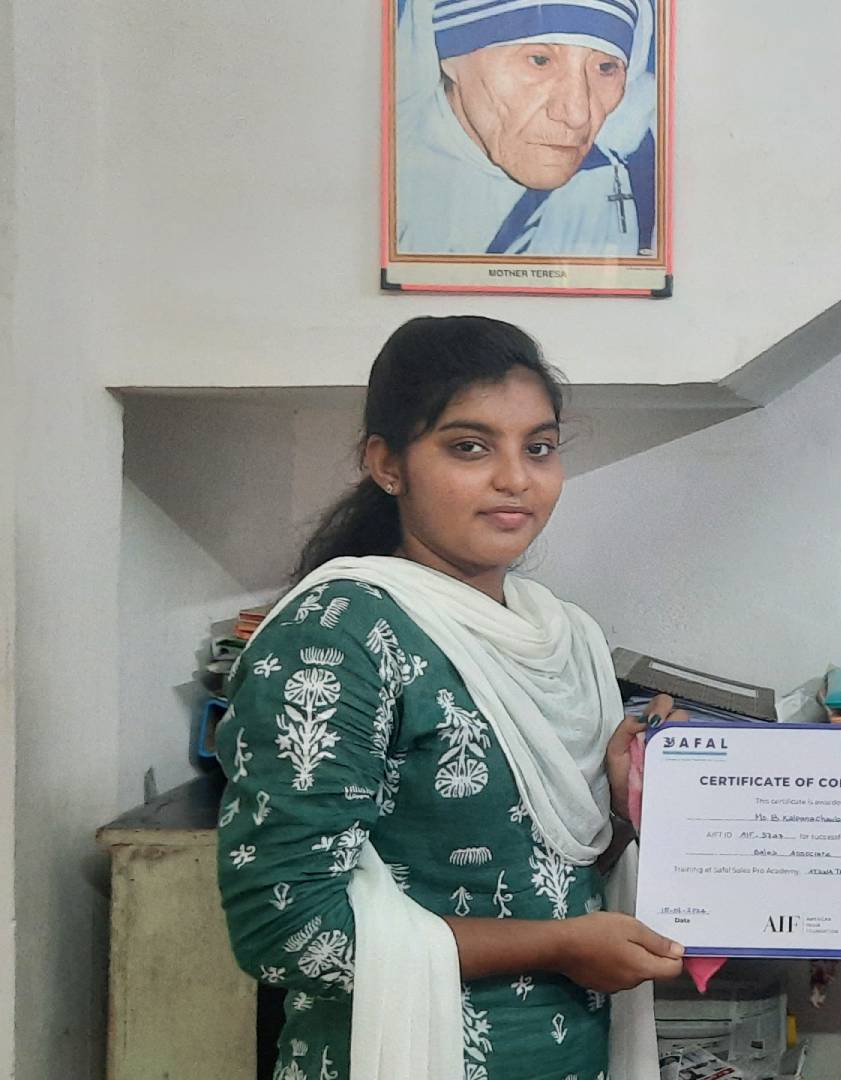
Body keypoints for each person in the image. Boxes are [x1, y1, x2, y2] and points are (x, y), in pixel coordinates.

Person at [216, 317, 686, 1076]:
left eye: (538, 447)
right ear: (388, 464)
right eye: (470, 446)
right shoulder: (338, 638)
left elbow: (555, 867)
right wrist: (561, 944)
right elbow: (289, 931)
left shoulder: (565, 637)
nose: (515, 478)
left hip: (569, 1055)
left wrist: (629, 811)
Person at [393, 0, 660, 256]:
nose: (578, 115)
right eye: (540, 61)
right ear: (450, 56)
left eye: (605, 67)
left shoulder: (613, 182)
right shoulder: (382, 184)